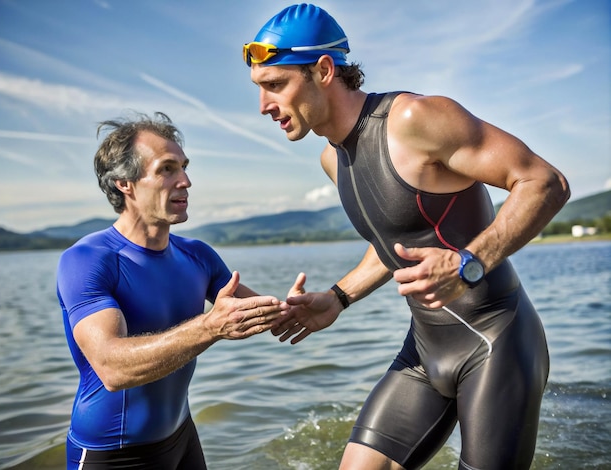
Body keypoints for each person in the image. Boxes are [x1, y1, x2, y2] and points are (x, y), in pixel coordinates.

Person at [243, 4, 570, 470]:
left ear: (323, 69)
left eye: (275, 85)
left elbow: (544, 183)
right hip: (423, 349)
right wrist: (338, 298)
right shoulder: (332, 160)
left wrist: (467, 263)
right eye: (259, 89)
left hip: (496, 339)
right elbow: (393, 242)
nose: (263, 106)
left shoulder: (413, 119)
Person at [56, 112, 287, 469]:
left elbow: (257, 311)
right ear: (125, 183)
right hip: (113, 454)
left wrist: (304, 306)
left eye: (184, 166)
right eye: (167, 169)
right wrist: (211, 327)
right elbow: (112, 368)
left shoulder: (197, 255)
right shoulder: (88, 260)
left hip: (182, 438)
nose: (186, 181)